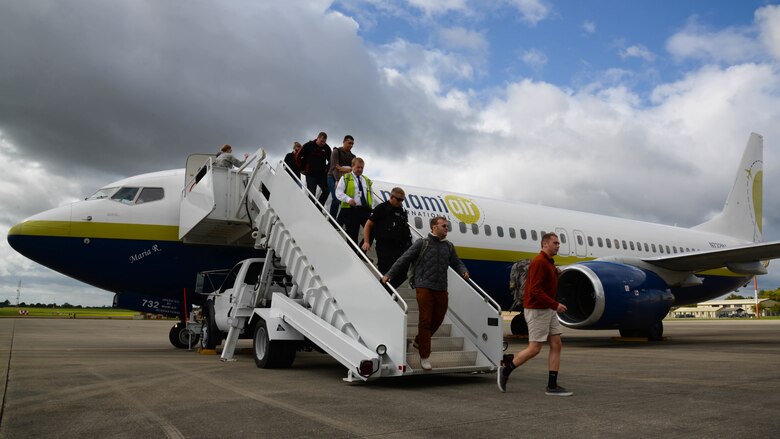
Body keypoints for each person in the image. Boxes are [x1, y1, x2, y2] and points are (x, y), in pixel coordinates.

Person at [382, 216, 469, 371]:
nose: (446, 229)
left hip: (441, 288)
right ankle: (424, 356)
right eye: (444, 226)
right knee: (425, 320)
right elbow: (404, 259)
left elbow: (457, 262)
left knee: (438, 319)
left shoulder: (448, 246)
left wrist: (463, 271)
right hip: (424, 286)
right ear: (434, 227)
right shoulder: (422, 243)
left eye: (447, 226)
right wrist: (390, 274)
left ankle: (418, 341)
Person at [497, 232, 573, 396]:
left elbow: (546, 285)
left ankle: (552, 386)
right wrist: (556, 305)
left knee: (556, 344)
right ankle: (506, 370)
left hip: (548, 309)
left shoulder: (549, 263)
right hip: (538, 309)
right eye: (555, 243)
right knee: (535, 348)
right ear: (545, 244)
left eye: (559, 243)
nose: (558, 245)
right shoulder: (539, 262)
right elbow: (535, 291)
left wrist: (556, 274)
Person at [361, 187, 412, 288]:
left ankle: (387, 291)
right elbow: (368, 225)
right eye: (398, 199)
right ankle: (384, 291)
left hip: (400, 247)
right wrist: (366, 242)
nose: (400, 202)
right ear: (391, 197)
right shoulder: (382, 208)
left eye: (402, 200)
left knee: (405, 271)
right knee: (386, 273)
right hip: (385, 248)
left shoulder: (401, 211)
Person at [335, 157, 372, 244]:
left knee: (372, 231)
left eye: (362, 167)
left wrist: (372, 207)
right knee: (352, 235)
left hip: (365, 210)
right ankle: (354, 254)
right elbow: (338, 192)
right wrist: (348, 199)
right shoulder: (346, 177)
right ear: (352, 166)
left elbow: (371, 195)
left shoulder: (366, 180)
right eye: (358, 167)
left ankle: (362, 251)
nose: (360, 169)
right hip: (351, 209)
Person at [298, 132, 331, 205]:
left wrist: (327, 170)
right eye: (321, 141)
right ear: (318, 138)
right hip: (310, 175)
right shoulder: (308, 145)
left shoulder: (326, 148)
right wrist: (301, 168)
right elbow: (298, 155)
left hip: (321, 175)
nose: (323, 143)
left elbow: (331, 161)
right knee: (312, 194)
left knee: (327, 191)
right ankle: (312, 211)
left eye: (324, 142)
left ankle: (319, 207)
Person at [327, 135, 356, 218]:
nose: (351, 145)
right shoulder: (336, 151)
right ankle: (332, 220)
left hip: (345, 180)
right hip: (333, 177)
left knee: (344, 201)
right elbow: (334, 167)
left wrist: (342, 168)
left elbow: (353, 170)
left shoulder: (353, 157)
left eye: (352, 144)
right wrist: (337, 179)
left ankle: (340, 221)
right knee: (336, 198)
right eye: (349, 143)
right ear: (344, 142)